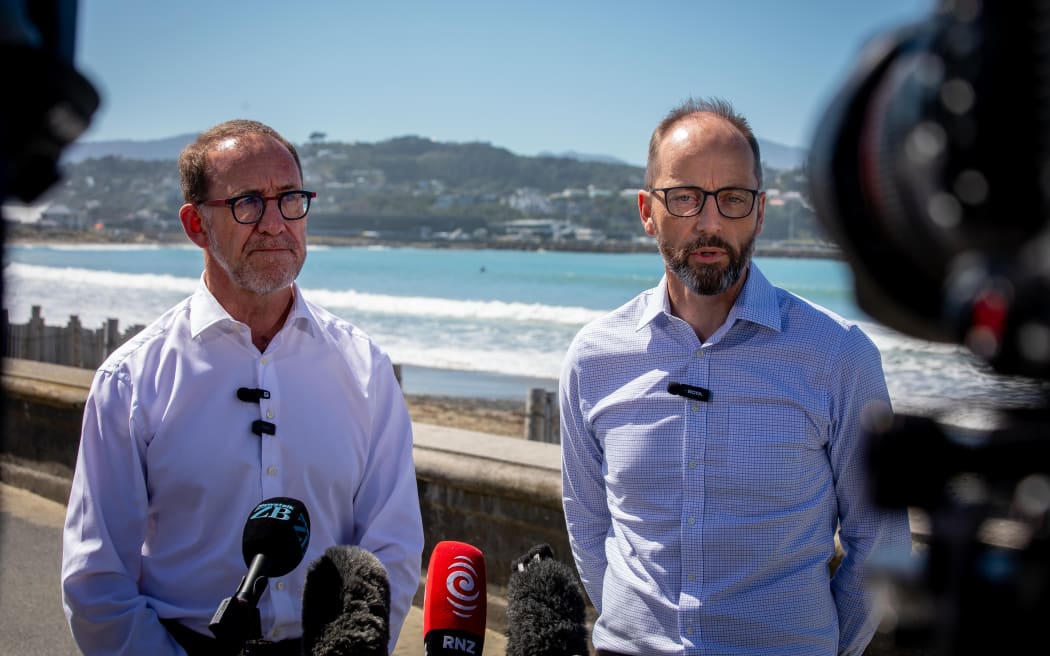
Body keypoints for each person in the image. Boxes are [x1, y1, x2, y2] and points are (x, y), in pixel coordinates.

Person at [559, 98, 912, 655]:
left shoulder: (839, 355)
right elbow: (586, 520)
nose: (710, 221)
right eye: (684, 197)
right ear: (647, 211)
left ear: (761, 212)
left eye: (732, 198)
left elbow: (880, 537)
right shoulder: (593, 358)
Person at [61, 119, 424, 655]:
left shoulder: (364, 367)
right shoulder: (132, 379)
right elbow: (96, 577)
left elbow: (391, 548)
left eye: (290, 199)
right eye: (249, 202)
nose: (276, 223)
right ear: (196, 225)